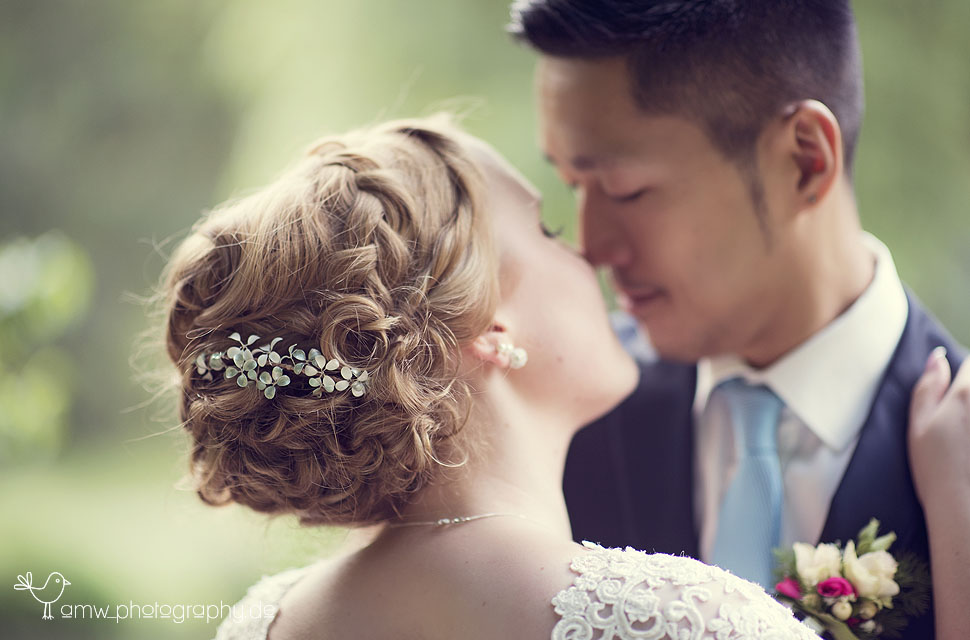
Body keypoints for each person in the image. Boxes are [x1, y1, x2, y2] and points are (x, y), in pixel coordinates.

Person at [159, 115, 828, 639]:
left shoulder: (264, 625)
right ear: (492, 326)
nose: (587, 251)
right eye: (548, 228)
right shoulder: (689, 622)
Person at [508, 1, 968, 638]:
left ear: (806, 160)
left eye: (625, 190)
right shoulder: (562, 419)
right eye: (570, 185)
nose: (592, 246)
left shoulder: (960, 465)